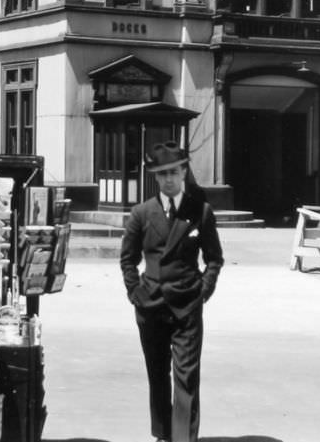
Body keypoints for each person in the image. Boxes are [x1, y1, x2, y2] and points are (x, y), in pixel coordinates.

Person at [120, 142, 224, 442]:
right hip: (150, 305)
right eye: (162, 174)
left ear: (183, 172)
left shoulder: (200, 211)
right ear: (155, 176)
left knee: (186, 377)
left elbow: (214, 258)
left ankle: (183, 439)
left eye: (174, 172)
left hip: (186, 306)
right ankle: (163, 434)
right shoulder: (141, 213)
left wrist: (202, 291)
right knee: (157, 375)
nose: (169, 179)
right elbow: (128, 258)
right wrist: (134, 292)